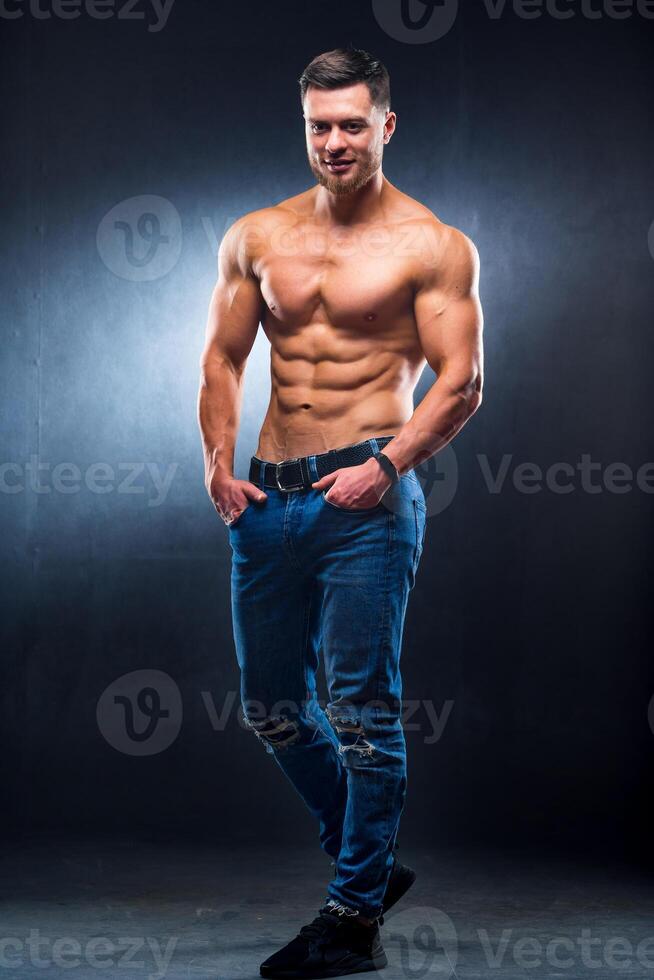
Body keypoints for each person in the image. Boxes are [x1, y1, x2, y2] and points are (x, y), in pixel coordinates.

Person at [197, 45, 484, 979]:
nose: (335, 142)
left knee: (360, 712)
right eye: (320, 126)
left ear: (386, 126)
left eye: (353, 124)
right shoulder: (257, 234)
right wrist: (216, 464)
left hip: (367, 503)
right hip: (269, 502)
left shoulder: (433, 245)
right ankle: (366, 856)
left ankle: (354, 917)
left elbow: (464, 382)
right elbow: (223, 361)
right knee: (272, 707)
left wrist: (388, 465)